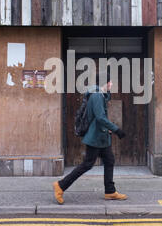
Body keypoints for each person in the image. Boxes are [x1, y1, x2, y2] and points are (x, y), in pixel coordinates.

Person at [52, 71, 127, 204]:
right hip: (95, 137)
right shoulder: (97, 96)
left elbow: (104, 104)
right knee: (87, 164)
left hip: (102, 137)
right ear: (106, 82)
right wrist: (116, 130)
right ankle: (61, 185)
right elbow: (100, 117)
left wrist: (106, 90)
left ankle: (110, 191)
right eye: (110, 81)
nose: (112, 84)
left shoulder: (100, 95)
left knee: (109, 160)